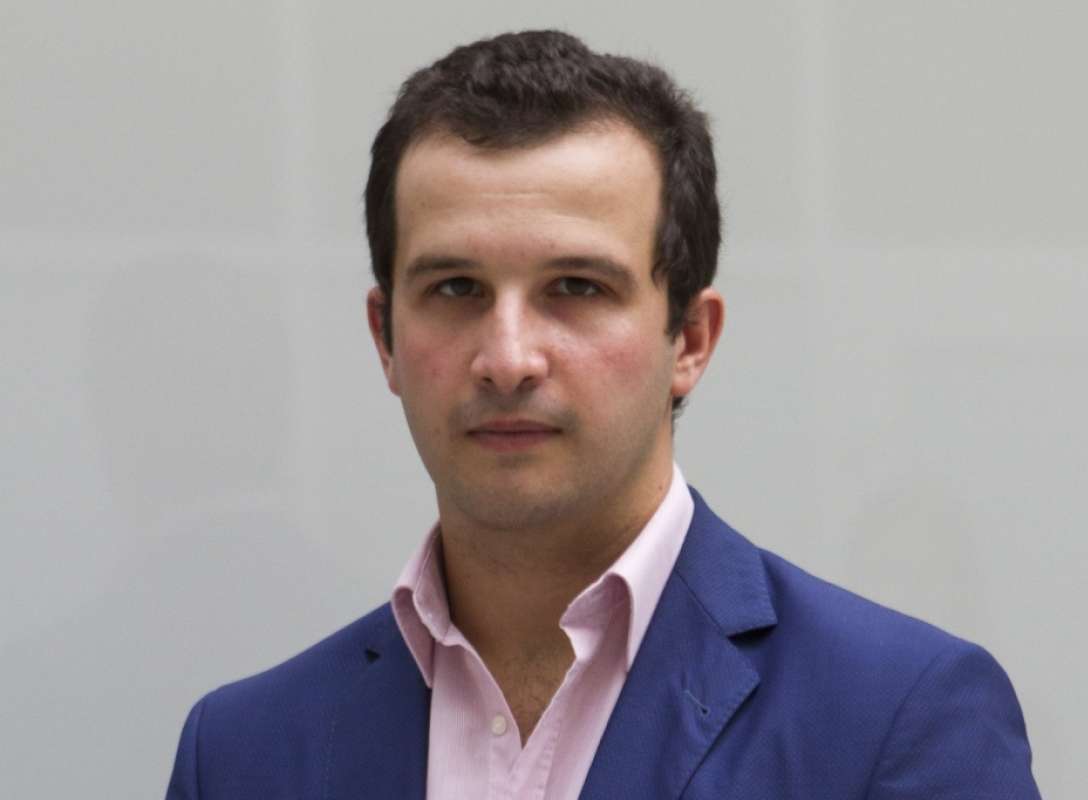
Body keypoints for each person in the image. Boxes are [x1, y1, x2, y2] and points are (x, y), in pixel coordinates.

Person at [166, 29, 1040, 799]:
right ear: (384, 336)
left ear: (689, 338)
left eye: (577, 288)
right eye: (456, 288)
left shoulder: (895, 720)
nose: (508, 358)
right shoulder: (243, 755)